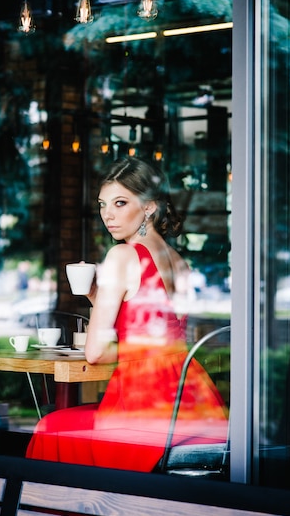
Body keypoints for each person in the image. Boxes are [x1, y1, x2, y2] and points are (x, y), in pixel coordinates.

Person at [26, 157, 228, 471]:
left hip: (142, 411)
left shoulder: (122, 255)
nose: (108, 214)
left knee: (51, 428)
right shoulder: (179, 261)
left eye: (120, 203)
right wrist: (96, 294)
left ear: (149, 207)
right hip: (191, 405)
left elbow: (95, 353)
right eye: (103, 204)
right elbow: (147, 325)